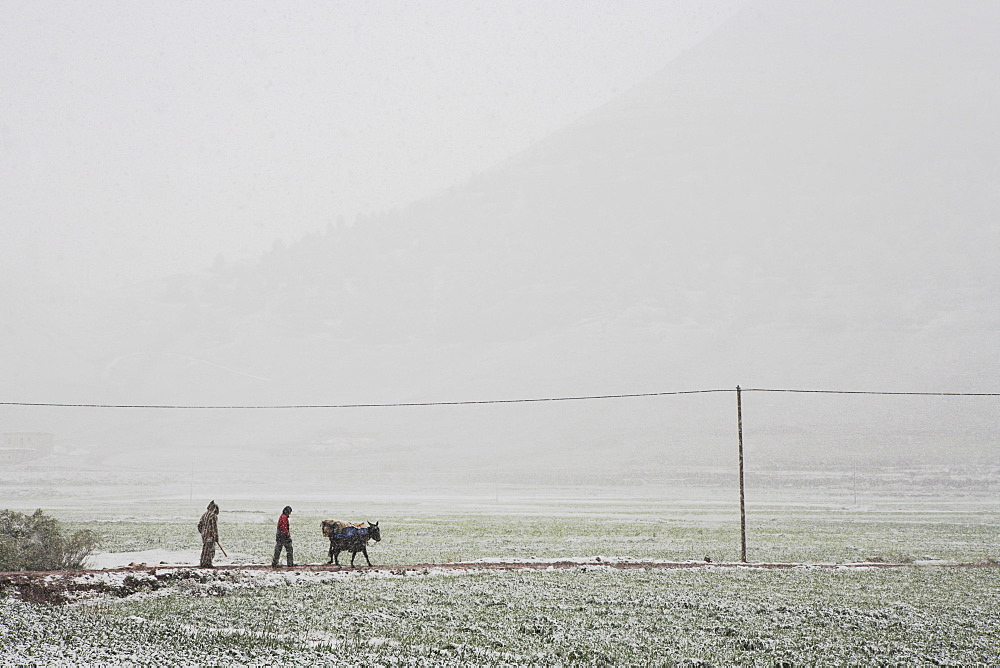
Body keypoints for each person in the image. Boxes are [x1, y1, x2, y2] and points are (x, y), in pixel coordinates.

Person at [197, 500, 219, 568]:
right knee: (210, 549)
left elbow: (199, 525)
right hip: (210, 535)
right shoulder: (213, 516)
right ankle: (208, 563)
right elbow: (214, 527)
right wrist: (216, 537)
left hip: (204, 535)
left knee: (205, 548)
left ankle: (203, 562)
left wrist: (203, 532)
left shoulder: (204, 515)